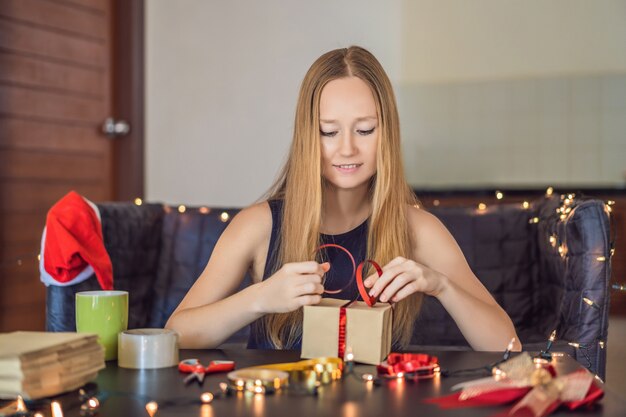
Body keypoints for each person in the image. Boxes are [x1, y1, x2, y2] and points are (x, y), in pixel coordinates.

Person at [165, 46, 521, 352]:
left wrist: (441, 286)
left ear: (388, 133)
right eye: (329, 132)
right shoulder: (258, 226)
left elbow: (506, 345)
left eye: (365, 130)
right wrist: (259, 298)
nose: (347, 148)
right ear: (308, 136)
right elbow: (174, 334)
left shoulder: (419, 228)